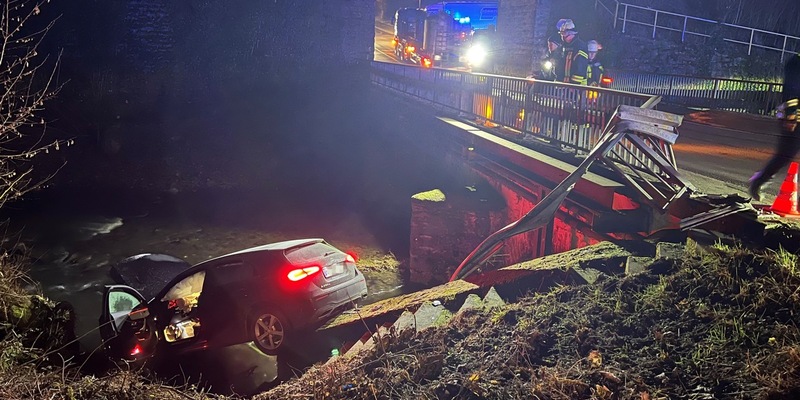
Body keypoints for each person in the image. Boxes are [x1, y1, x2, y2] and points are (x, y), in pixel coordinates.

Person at [748, 53, 800, 201]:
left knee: (784, 155)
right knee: (784, 155)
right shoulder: (796, 62)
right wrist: (791, 114)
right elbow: (791, 89)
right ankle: (758, 181)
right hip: (795, 118)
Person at [557, 19, 589, 85]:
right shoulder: (563, 47)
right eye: (561, 34)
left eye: (564, 34)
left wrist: (574, 85)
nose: (562, 37)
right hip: (565, 86)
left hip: (578, 87)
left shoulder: (580, 46)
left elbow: (580, 68)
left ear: (571, 33)